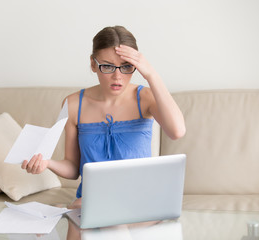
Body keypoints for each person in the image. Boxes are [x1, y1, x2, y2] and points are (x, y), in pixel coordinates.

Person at [21, 25, 186, 208]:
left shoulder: (145, 98)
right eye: (107, 66)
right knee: (79, 209)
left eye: (126, 67)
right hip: (92, 201)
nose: (117, 76)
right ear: (93, 64)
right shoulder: (73, 104)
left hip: (139, 199)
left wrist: (151, 74)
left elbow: (177, 131)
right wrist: (47, 163)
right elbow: (73, 168)